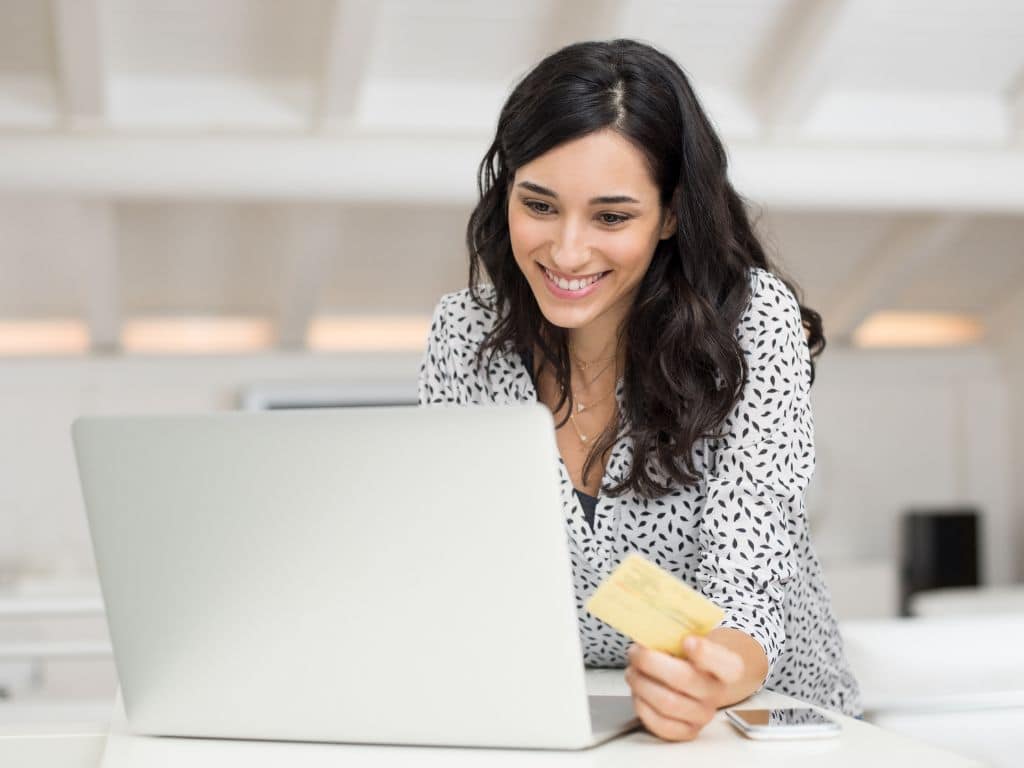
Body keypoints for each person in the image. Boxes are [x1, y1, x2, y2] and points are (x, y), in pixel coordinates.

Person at [417, 38, 862, 742]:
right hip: (568, 718)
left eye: (612, 217)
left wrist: (712, 676)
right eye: (538, 204)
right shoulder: (463, 337)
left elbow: (748, 582)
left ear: (673, 214)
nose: (566, 251)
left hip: (768, 719)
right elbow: (459, 564)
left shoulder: (752, 326)